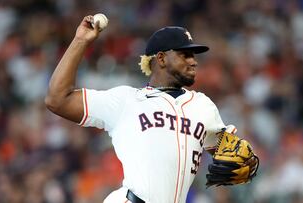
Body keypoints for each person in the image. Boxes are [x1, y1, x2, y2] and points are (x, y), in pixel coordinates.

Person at [45, 15, 238, 203]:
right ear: (161, 58)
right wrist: (80, 41)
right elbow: (57, 99)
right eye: (184, 54)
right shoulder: (126, 100)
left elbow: (230, 157)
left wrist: (241, 161)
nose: (193, 61)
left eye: (193, 55)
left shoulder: (203, 106)